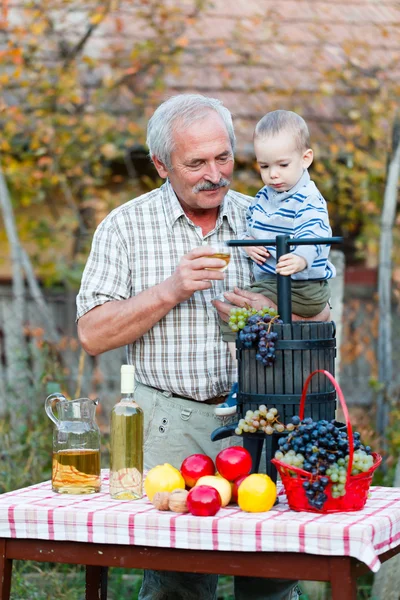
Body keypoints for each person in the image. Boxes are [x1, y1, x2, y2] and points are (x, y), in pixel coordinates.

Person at [76, 94, 326, 600]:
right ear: (161, 165)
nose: (215, 174)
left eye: (224, 157)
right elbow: (92, 334)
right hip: (172, 424)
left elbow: (320, 317)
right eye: (196, 163)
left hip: (262, 418)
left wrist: (273, 311)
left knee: (272, 582)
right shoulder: (125, 226)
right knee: (178, 584)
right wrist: (172, 289)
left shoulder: (266, 216)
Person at [215, 109, 335, 417]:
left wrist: (301, 257)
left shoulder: (308, 199)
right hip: (271, 282)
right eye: (264, 166)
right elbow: (252, 224)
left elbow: (317, 234)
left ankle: (253, 382)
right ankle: (242, 379)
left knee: (247, 313)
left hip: (304, 286)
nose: (274, 174)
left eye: (283, 165)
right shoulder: (264, 197)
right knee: (231, 313)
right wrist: (251, 245)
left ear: (306, 158)